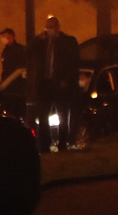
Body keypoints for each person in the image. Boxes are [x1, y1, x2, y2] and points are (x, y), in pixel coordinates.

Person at [29, 16, 80, 151]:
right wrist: (37, 39)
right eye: (47, 27)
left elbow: (74, 64)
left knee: (62, 115)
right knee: (43, 116)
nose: (49, 30)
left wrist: (66, 80)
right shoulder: (43, 43)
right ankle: (45, 144)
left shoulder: (68, 42)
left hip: (60, 84)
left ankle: (62, 144)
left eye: (51, 27)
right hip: (45, 84)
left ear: (58, 27)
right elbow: (28, 52)